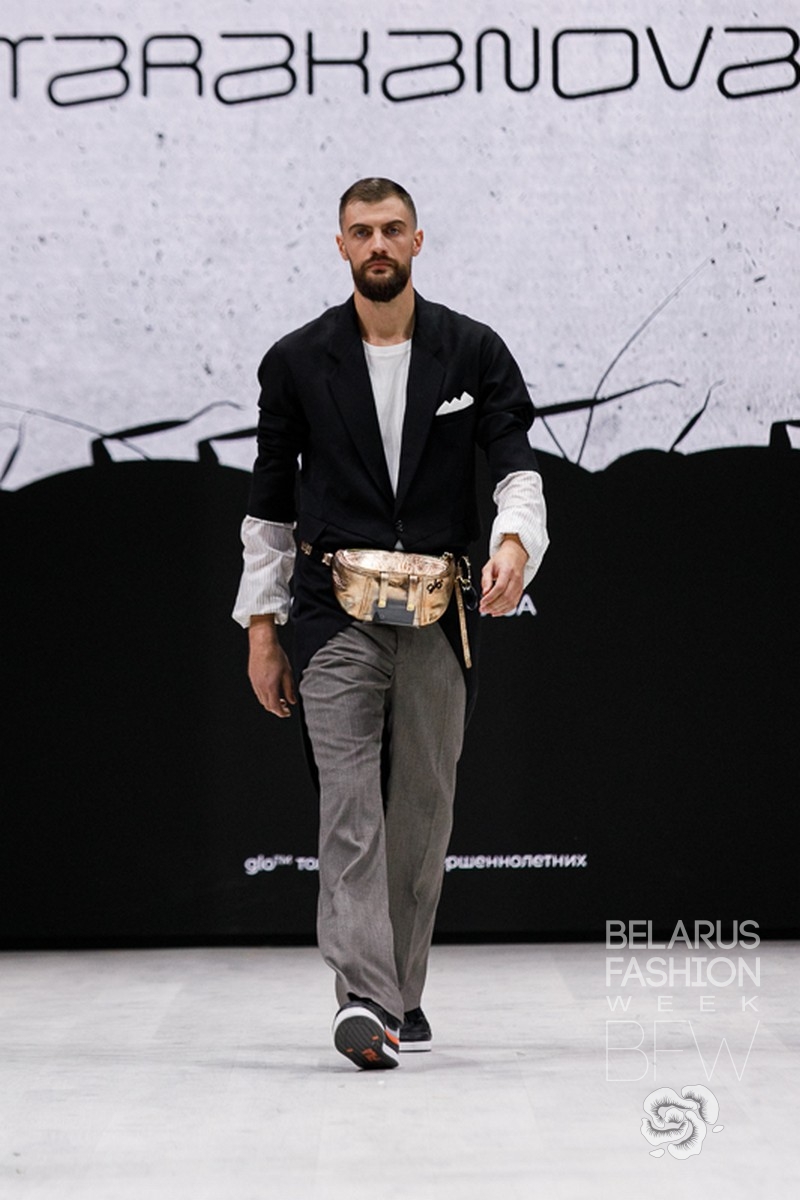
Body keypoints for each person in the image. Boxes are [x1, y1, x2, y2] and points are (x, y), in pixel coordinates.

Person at [233, 177, 548, 1069]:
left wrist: (515, 542)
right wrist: (262, 628)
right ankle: (365, 998)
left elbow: (515, 460)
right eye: (362, 231)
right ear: (341, 245)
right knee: (349, 803)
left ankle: (401, 994)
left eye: (392, 229)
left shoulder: (472, 350)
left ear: (417, 241)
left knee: (422, 809)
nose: (378, 243)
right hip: (333, 611)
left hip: (439, 610)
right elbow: (269, 503)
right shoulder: (297, 360)